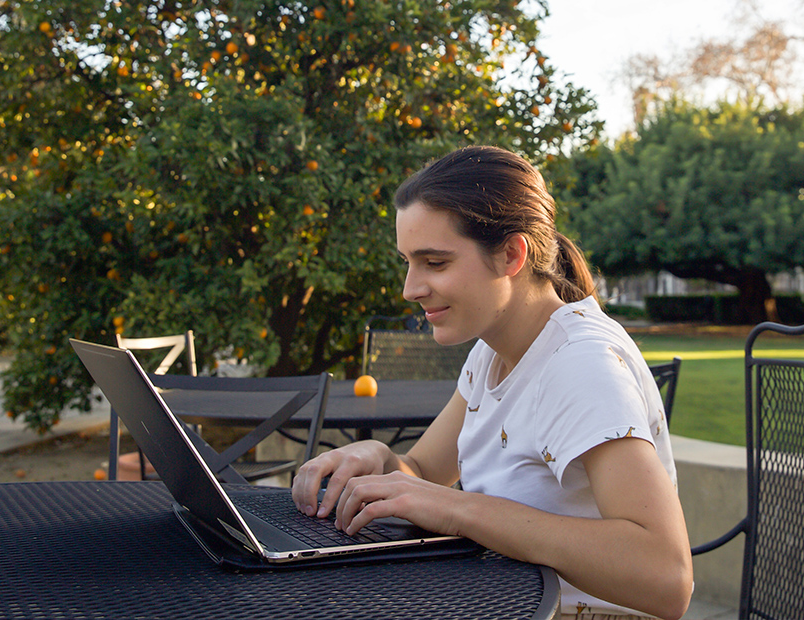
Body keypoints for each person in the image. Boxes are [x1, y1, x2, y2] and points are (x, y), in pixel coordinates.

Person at [291, 145, 691, 620]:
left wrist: (462, 513)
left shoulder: (579, 364)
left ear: (511, 254)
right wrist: (381, 459)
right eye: (408, 262)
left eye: (434, 263)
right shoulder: (492, 350)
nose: (410, 288)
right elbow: (423, 470)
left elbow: (665, 577)